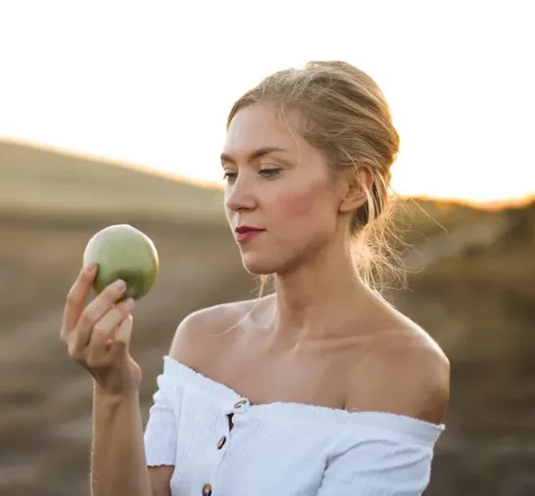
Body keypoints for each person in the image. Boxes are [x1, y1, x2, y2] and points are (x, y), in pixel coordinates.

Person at [60, 61, 450, 496]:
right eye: (231, 174)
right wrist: (114, 390)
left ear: (353, 188)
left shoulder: (403, 368)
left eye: (268, 171)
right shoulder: (201, 339)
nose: (237, 199)